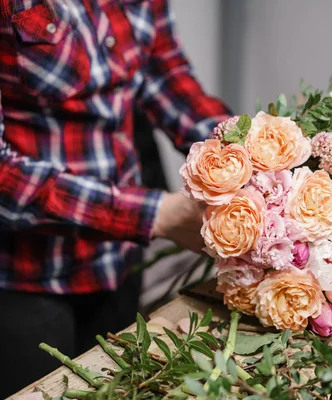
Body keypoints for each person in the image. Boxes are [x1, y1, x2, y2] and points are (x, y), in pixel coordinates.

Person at [0, 0, 229, 396]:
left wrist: (243, 153)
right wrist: (157, 216)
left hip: (118, 260)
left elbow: (164, 74)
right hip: (25, 276)